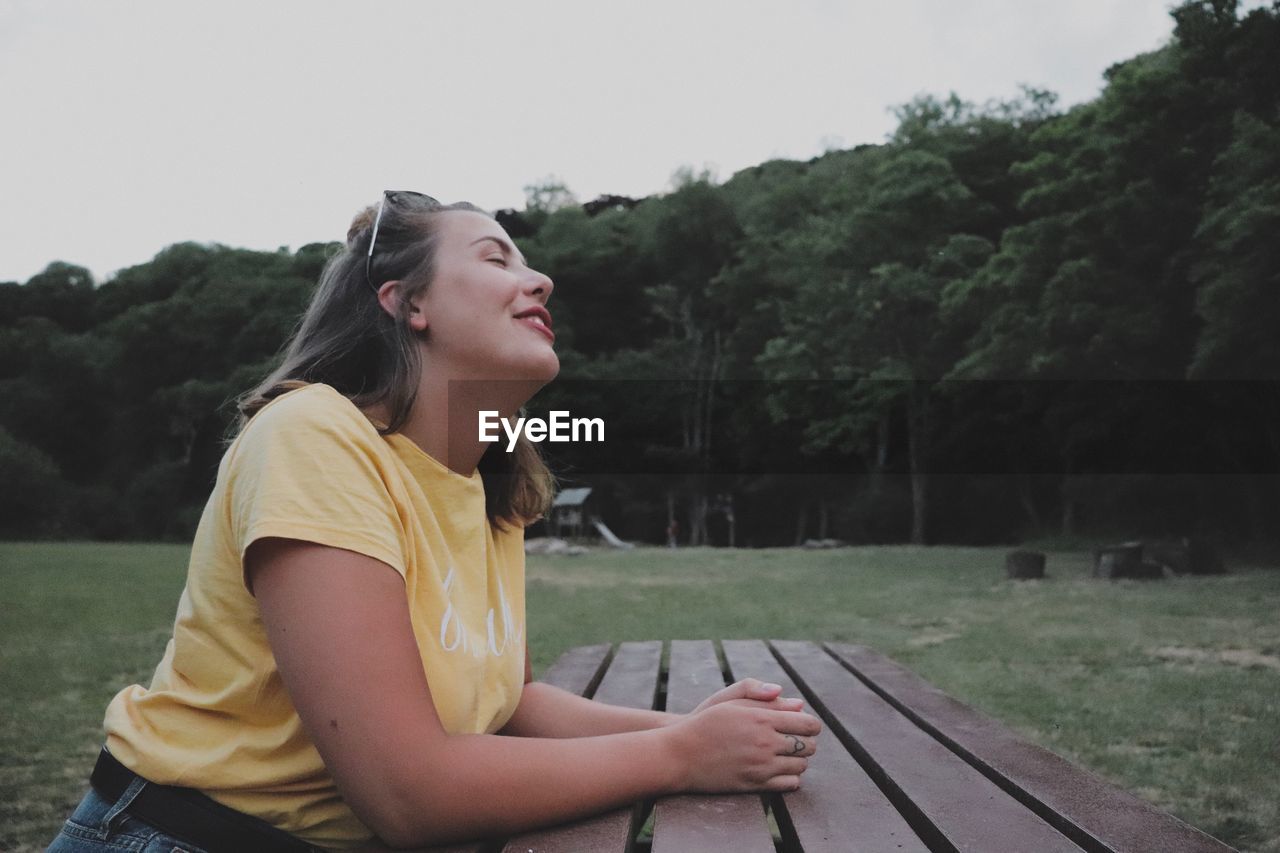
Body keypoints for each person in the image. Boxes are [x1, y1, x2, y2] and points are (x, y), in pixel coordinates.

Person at [49, 191, 821, 852]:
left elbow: (509, 703)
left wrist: (690, 726)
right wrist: (682, 755)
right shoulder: (314, 436)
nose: (540, 279)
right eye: (497, 258)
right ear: (405, 301)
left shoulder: (492, 481)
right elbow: (406, 791)